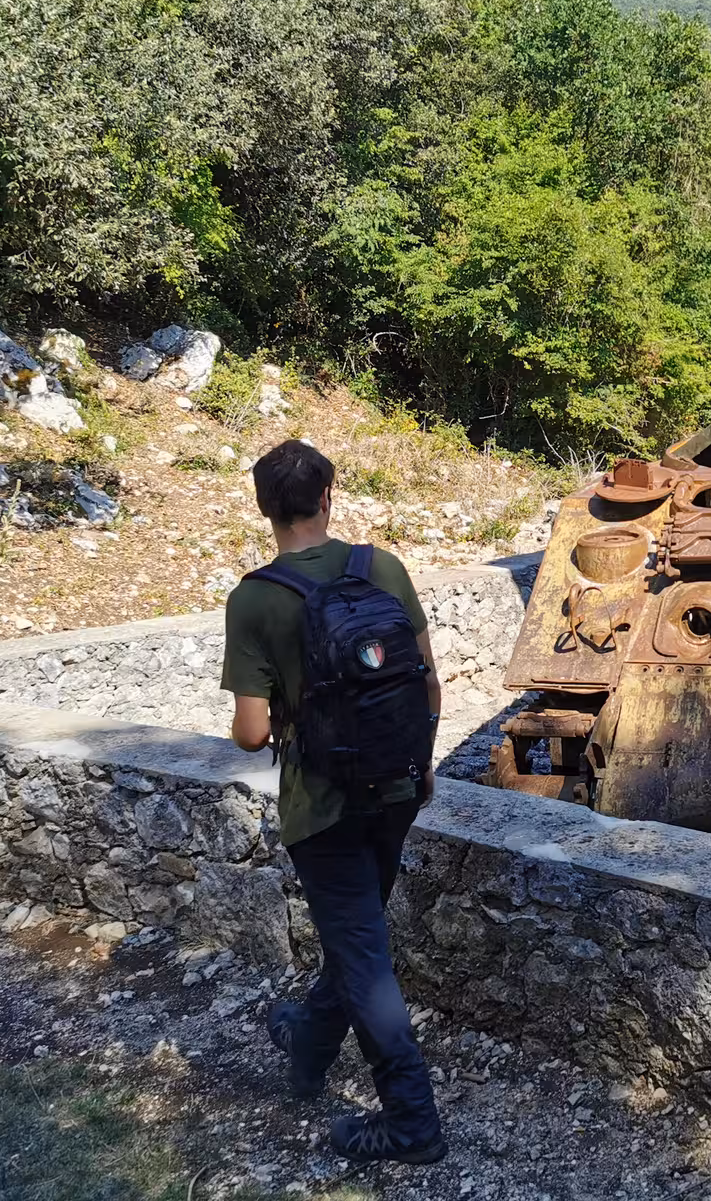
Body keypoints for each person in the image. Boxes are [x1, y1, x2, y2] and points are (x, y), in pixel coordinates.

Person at [221, 439, 447, 1165]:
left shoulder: (256, 597)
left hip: (322, 808)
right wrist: (420, 762)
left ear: (265, 510)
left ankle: (412, 1122)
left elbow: (252, 734)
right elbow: (427, 683)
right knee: (355, 942)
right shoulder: (379, 568)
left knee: (362, 955)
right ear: (329, 498)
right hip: (399, 787)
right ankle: (307, 1047)